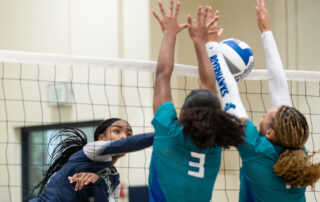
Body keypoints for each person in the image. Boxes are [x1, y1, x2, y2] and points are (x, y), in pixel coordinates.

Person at [206, 0, 320, 201]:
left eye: (268, 114)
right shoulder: (296, 151)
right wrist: (266, 31)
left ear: (270, 133)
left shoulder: (259, 150)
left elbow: (230, 96)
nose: (270, 108)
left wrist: (212, 46)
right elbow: (280, 90)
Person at [149, 1, 246, 201]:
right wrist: (198, 41)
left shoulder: (170, 133)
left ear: (183, 114)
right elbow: (207, 88)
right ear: (217, 117)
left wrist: (173, 35)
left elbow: (162, 75)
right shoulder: (215, 141)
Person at [30, 118, 154, 202]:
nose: (124, 137)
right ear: (101, 138)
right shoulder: (92, 150)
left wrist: (98, 182)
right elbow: (126, 144)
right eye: (117, 131)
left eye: (129, 135)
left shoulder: (114, 178)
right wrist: (163, 134)